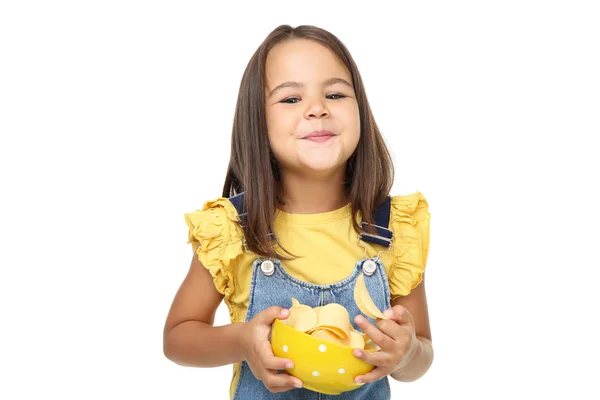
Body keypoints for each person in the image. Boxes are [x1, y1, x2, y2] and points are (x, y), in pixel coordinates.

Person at [163, 24, 434, 400]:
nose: (317, 108)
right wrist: (242, 341)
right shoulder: (231, 230)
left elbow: (421, 355)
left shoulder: (393, 229)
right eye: (291, 99)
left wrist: (406, 354)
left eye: (335, 94)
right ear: (258, 121)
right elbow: (178, 337)